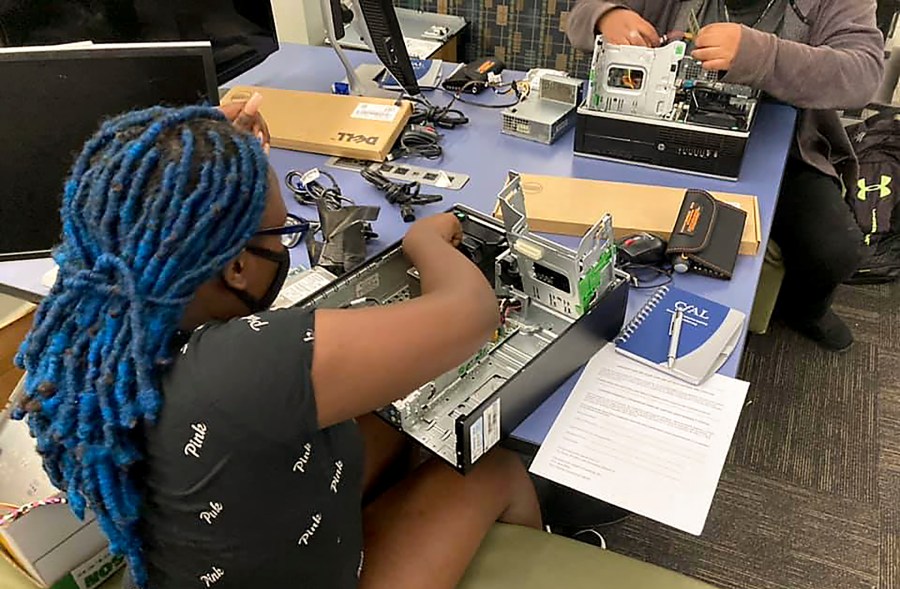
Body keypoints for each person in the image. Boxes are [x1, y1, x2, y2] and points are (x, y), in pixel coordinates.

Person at [12, 99, 541, 589]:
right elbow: (471, 316)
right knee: (497, 469)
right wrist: (424, 240)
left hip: (211, 549)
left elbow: (154, 193)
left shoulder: (88, 321)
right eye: (281, 233)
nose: (284, 240)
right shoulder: (242, 362)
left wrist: (210, 148)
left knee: (391, 437)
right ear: (238, 268)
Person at [567, 0, 885, 351]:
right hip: (661, 130)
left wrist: (760, 56)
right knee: (587, 223)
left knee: (835, 249)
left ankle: (805, 311)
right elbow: (581, 14)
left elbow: (863, 74)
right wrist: (606, 17)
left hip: (778, 145)